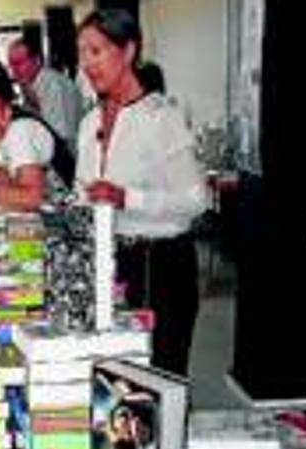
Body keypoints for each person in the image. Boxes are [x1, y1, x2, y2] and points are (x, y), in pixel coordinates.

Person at [75, 8, 207, 376]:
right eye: (82, 53)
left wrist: (126, 198)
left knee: (159, 379)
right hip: (110, 263)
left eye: (96, 51)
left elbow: (197, 200)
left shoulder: (161, 117)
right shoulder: (88, 123)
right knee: (113, 383)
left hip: (161, 266)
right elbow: (81, 194)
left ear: (128, 51)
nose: (86, 63)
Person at [0, 57, 74, 211]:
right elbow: (14, 184)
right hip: (54, 214)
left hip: (66, 221)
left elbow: (33, 198)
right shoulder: (11, 122)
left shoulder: (20, 130)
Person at [8, 36, 84, 164]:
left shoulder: (54, 86)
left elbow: (61, 138)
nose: (14, 70)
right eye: (11, 64)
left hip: (70, 165)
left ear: (37, 61)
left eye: (19, 63)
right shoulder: (29, 85)